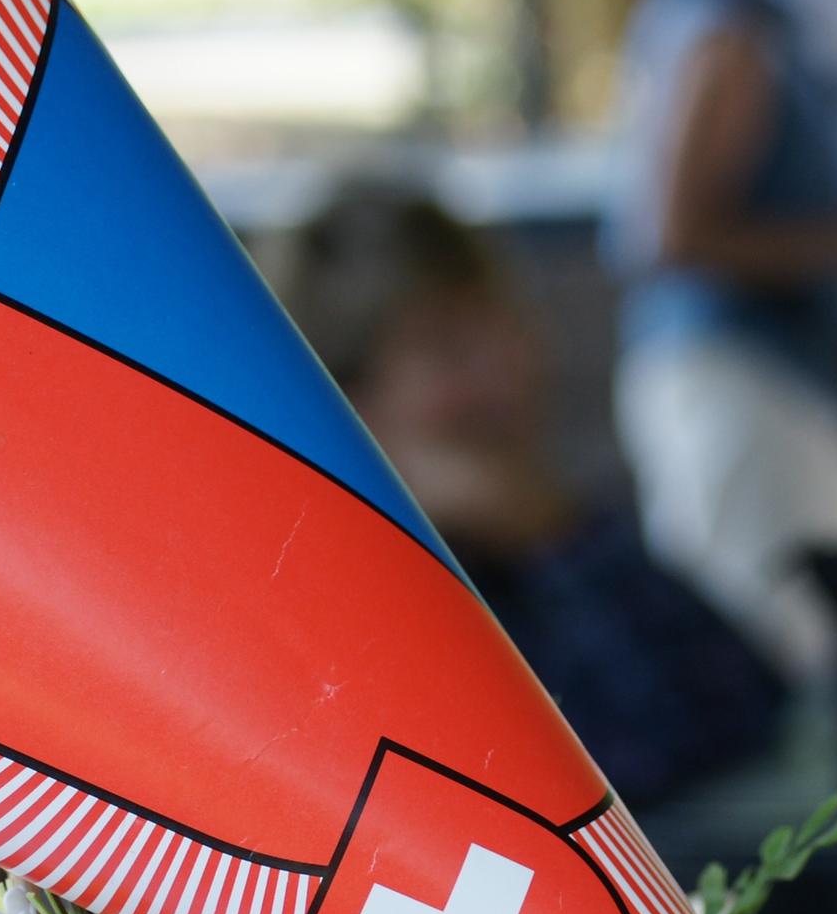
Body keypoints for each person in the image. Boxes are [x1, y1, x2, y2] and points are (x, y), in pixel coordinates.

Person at [272, 184, 785, 812]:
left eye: (504, 325)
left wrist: (551, 533)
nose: (503, 369)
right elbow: (642, 764)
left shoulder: (532, 533)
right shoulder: (354, 615)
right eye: (446, 350)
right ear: (348, 402)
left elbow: (754, 700)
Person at [602, 0, 837, 682]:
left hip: (763, 384)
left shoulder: (724, 11)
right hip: (741, 387)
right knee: (765, 665)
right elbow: (674, 233)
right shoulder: (725, 26)